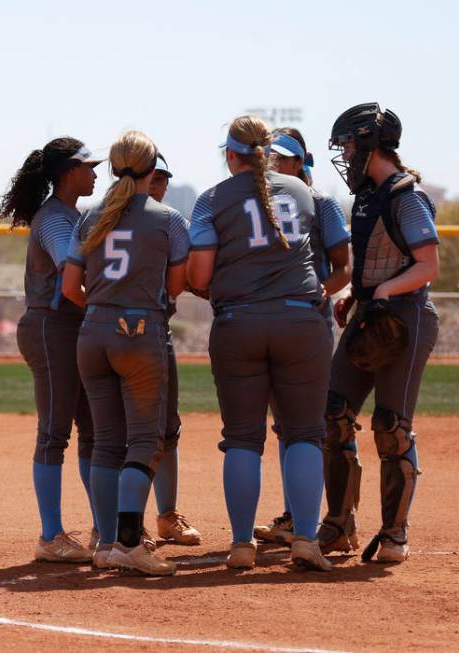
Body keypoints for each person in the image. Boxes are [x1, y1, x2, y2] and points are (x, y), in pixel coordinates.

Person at [187, 115, 332, 571]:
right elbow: (336, 260)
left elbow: (200, 275)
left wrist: (219, 290)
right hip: (302, 322)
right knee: (306, 433)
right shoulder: (307, 193)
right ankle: (306, 539)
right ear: (268, 154)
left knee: (243, 439)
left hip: (239, 323)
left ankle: (241, 546)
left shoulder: (211, 199)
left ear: (230, 155)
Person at [63, 131, 190, 576]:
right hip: (141, 332)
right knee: (145, 441)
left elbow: (68, 287)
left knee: (105, 443)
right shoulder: (169, 218)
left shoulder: (89, 216)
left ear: (114, 167)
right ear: (152, 169)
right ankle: (131, 544)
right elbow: (175, 288)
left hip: (92, 333)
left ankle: (106, 542)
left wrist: (101, 308)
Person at [320, 103, 440, 563]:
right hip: (374, 312)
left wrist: (384, 290)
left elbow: (428, 265)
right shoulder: (369, 195)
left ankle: (395, 535)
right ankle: (339, 525)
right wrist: (356, 294)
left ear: (371, 143)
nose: (345, 154)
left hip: (404, 318)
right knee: (332, 413)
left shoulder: (405, 196)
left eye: (349, 144)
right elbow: (374, 262)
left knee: (391, 428)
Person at [0, 137, 102, 563]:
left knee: (94, 431)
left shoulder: (70, 215)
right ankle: (51, 535)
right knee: (55, 433)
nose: (95, 173)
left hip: (71, 326)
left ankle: (103, 528)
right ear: (68, 173)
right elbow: (69, 277)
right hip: (50, 327)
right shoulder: (57, 220)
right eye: (88, 167)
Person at [253, 128, 352, 546]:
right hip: (278, 324)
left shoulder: (320, 204)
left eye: (283, 157)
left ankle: (336, 518)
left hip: (308, 325)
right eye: (269, 156)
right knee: (288, 427)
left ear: (300, 162)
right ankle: (298, 517)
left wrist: (321, 293)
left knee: (315, 426)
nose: (274, 163)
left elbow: (343, 267)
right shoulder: (261, 205)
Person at [145, 153, 202, 545]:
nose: (157, 184)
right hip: (115, 332)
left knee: (167, 428)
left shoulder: (172, 222)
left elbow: (188, 279)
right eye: (151, 176)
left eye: (162, 177)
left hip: (156, 332)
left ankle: (167, 516)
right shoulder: (106, 217)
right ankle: (116, 524)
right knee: (117, 430)